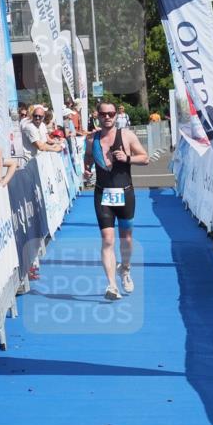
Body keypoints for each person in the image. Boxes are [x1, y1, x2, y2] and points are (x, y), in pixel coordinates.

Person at [83, 101, 149, 301]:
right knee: (108, 240)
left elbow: (145, 158)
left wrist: (127, 158)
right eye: (103, 114)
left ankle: (125, 269)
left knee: (126, 239)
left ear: (116, 115)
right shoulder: (91, 139)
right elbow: (87, 157)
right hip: (102, 194)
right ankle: (111, 285)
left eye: (111, 113)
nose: (108, 117)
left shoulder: (126, 135)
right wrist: (86, 169)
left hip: (125, 193)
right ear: (98, 116)